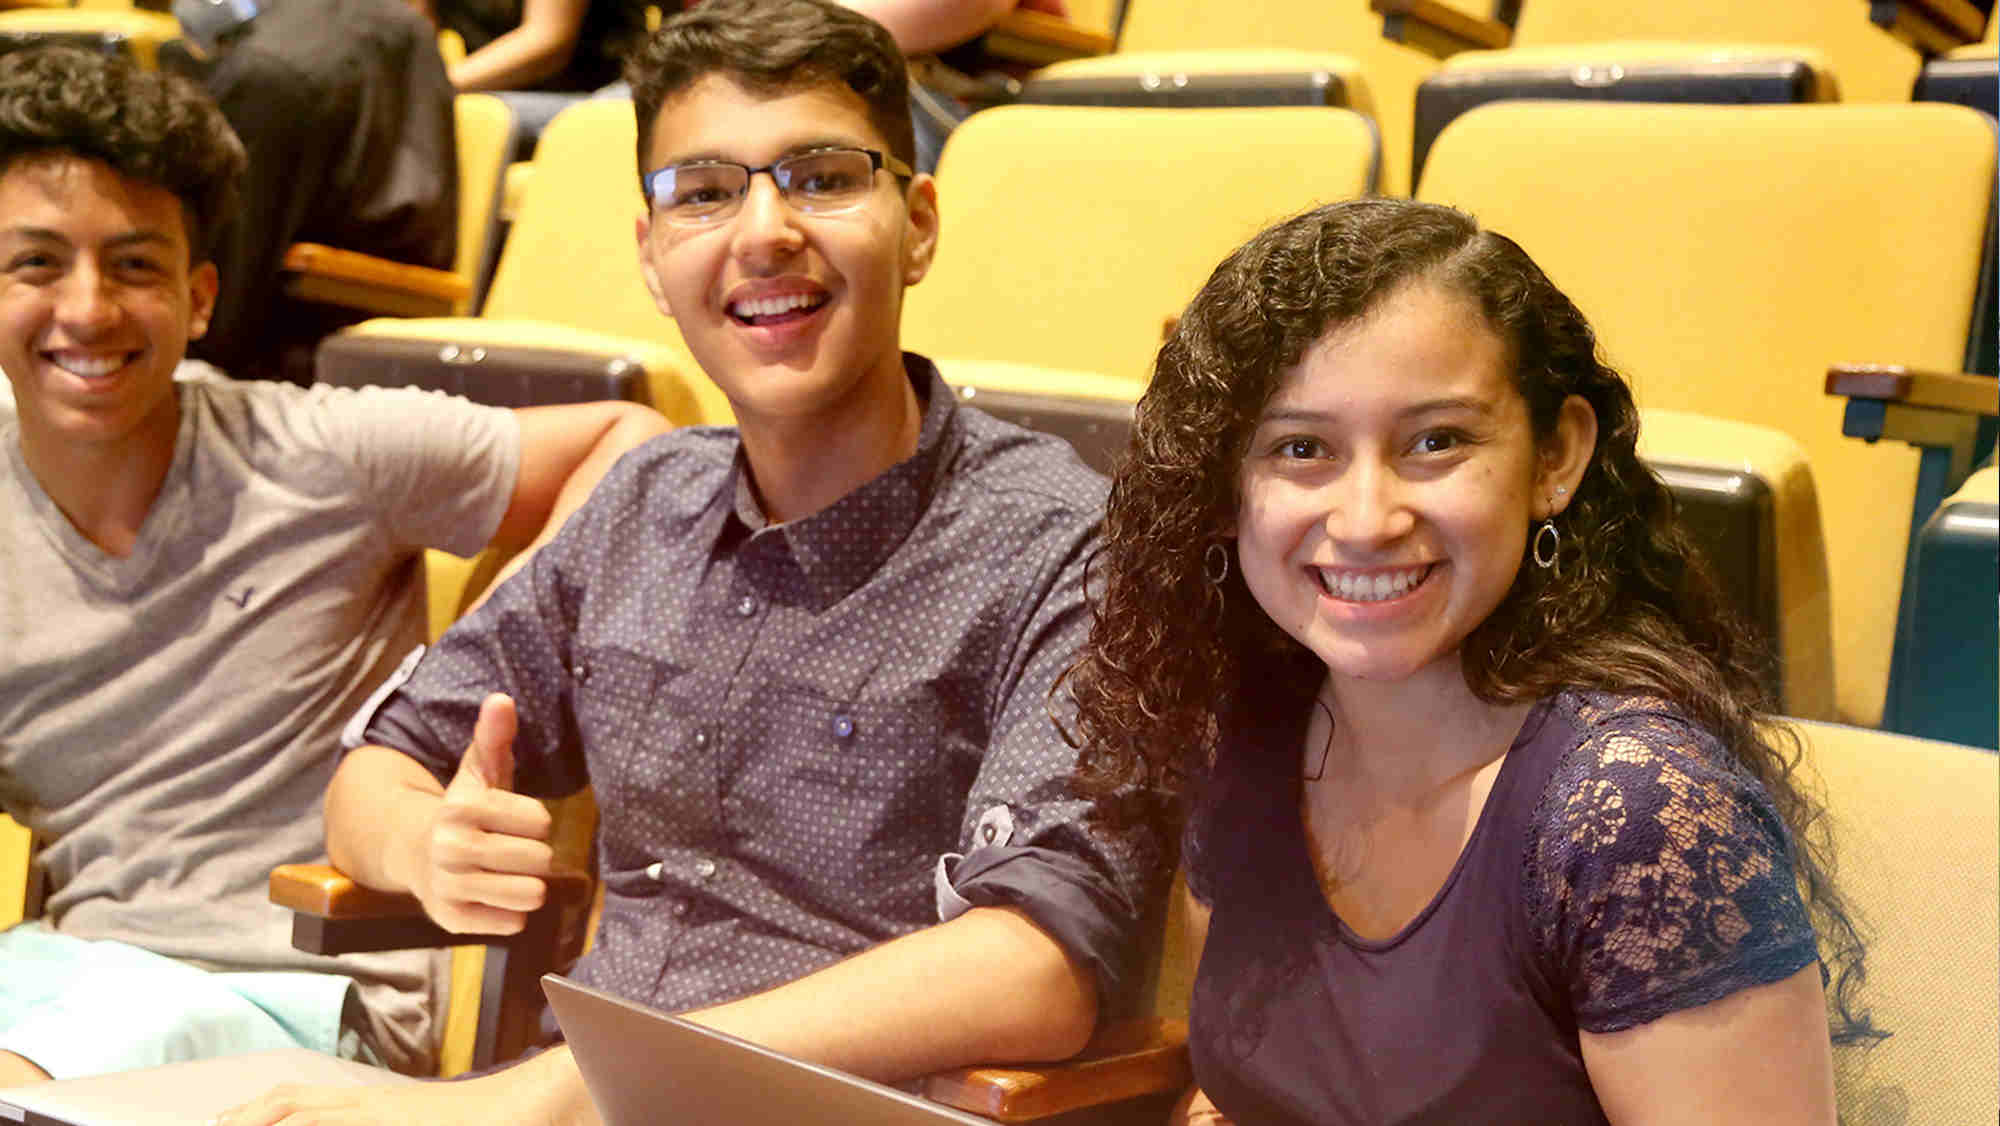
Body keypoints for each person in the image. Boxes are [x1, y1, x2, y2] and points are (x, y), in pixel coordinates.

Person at [218, 1, 1157, 1121]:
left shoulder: (1062, 544)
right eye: (703, 192)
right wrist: (427, 841)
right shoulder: (640, 504)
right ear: (653, 256)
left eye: (819, 177)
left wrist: (574, 1085)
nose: (762, 231)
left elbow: (1039, 964)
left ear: (916, 224)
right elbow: (380, 767)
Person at [1061, 198, 1877, 1125]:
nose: (1367, 519)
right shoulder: (1245, 726)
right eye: (1301, 449)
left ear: (1555, 457)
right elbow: (1236, 1094)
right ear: (1222, 485)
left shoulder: (1638, 815)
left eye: (1436, 442)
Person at [0, 46, 668, 1084]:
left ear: (201, 295)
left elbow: (625, 441)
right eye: (36, 263)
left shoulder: (321, 451)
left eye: (134, 264)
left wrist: (466, 674)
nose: (86, 309)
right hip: (62, 974)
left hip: (301, 988)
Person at [165, 0, 462, 385]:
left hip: (299, 339)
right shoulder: (404, 22)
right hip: (382, 298)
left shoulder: (270, 73)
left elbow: (229, 282)